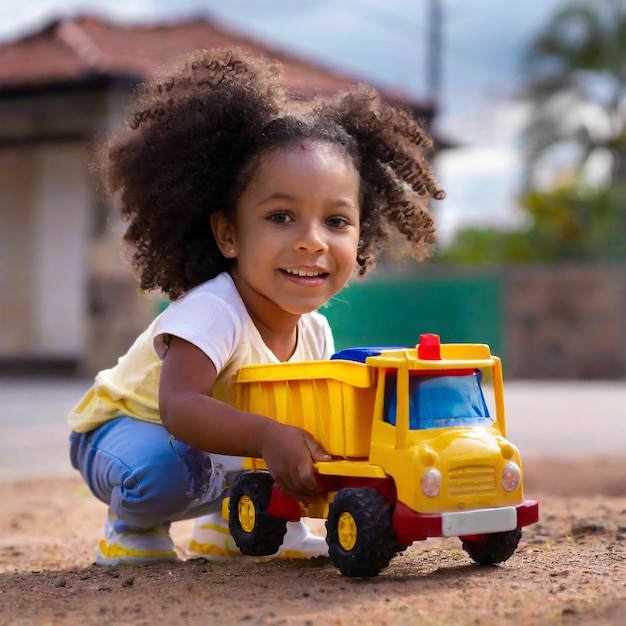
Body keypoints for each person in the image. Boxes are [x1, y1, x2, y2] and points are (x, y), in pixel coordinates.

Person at [68, 47, 445, 566]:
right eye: (281, 216)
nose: (313, 242)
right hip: (124, 433)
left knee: (297, 433)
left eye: (336, 222)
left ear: (360, 238)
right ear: (228, 234)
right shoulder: (212, 312)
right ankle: (132, 526)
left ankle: (231, 528)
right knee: (173, 469)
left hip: (201, 445)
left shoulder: (314, 332)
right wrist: (269, 436)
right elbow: (181, 409)